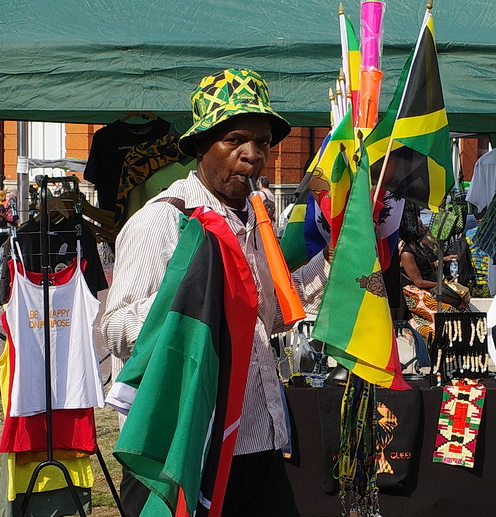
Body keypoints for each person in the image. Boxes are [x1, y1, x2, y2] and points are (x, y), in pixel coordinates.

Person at [99, 68, 330, 517]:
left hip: (258, 440)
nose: (252, 155)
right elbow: (116, 328)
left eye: (262, 142)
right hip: (184, 450)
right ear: (201, 145)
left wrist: (336, 259)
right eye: (235, 140)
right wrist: (194, 292)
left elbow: (273, 312)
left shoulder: (255, 219)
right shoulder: (163, 221)